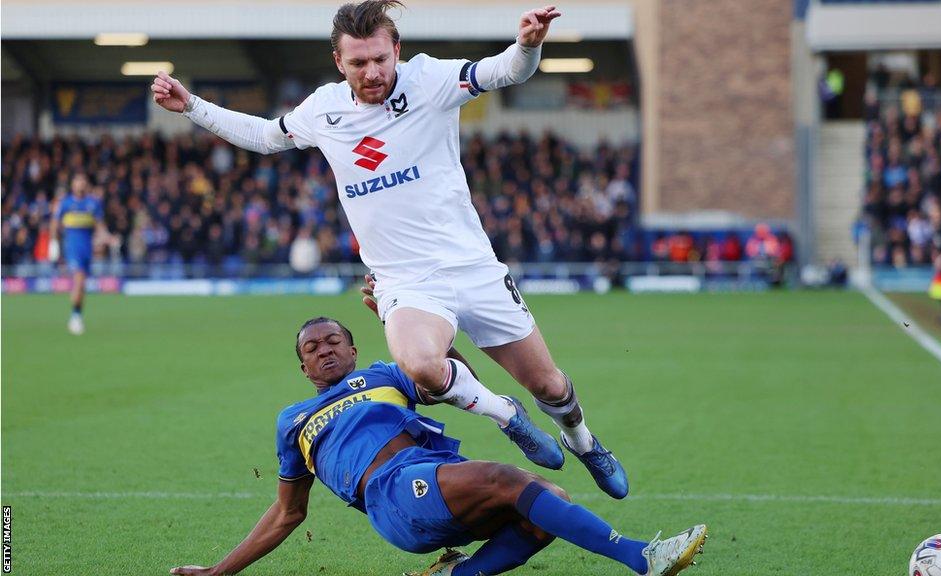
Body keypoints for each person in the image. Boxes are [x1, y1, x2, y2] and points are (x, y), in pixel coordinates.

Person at [152, 0, 629, 498]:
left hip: (472, 267)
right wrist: (192, 106)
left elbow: (504, 71)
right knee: (420, 366)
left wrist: (528, 47)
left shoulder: (430, 81)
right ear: (340, 63)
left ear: (396, 50)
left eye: (381, 59)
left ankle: (584, 441)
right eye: (359, 63)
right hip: (405, 281)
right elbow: (264, 136)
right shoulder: (324, 109)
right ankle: (506, 415)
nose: (373, 72)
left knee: (550, 386)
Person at [169, 317, 708, 576]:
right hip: (390, 495)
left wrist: (419, 330)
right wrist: (219, 572)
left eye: (333, 340)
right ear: (303, 366)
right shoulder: (293, 421)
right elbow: (288, 514)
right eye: (311, 348)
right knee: (507, 480)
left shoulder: (387, 373)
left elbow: (455, 379)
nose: (324, 350)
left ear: (354, 349)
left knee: (549, 505)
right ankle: (642, 557)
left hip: (433, 473)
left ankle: (458, 575)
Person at [48, 172, 106, 335]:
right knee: (79, 280)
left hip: (87, 249)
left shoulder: (93, 204)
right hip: (72, 248)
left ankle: (77, 314)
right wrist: (53, 243)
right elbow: (54, 223)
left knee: (81, 285)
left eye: (83, 181)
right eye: (77, 180)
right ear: (73, 184)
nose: (80, 184)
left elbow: (100, 226)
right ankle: (75, 317)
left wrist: (107, 238)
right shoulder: (65, 203)